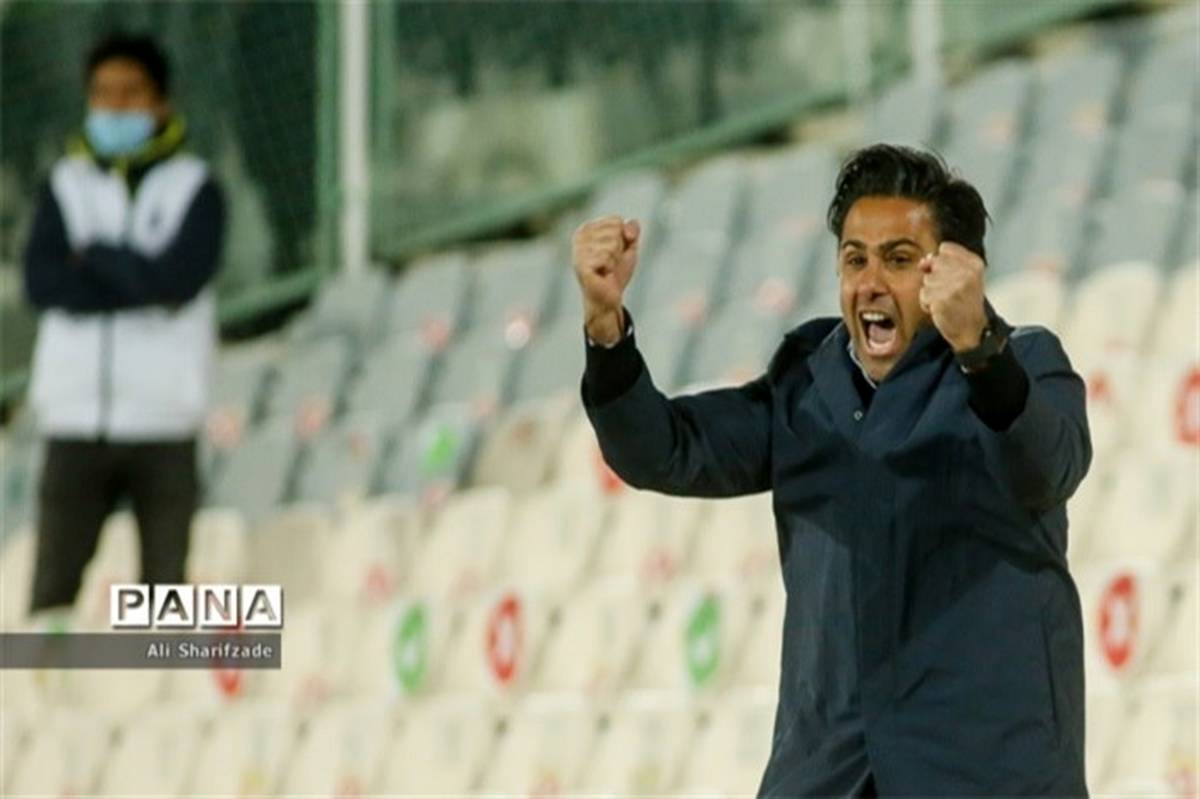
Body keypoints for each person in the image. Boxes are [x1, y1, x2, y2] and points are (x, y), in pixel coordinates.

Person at [574, 144, 1090, 796]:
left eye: (898, 260)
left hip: (985, 777)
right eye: (854, 259)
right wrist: (605, 329)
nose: (869, 283)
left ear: (954, 273)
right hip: (827, 776)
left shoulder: (1021, 365)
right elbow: (665, 449)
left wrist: (980, 348)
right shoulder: (806, 384)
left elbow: (1048, 468)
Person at [22, 33, 225, 612]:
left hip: (164, 419)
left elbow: (178, 281)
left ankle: (160, 676)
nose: (114, 108)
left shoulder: (195, 188)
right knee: (53, 595)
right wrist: (140, 278)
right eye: (102, 94)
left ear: (160, 102)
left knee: (163, 602)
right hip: (75, 418)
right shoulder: (65, 185)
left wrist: (96, 258)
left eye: (130, 93)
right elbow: (43, 283)